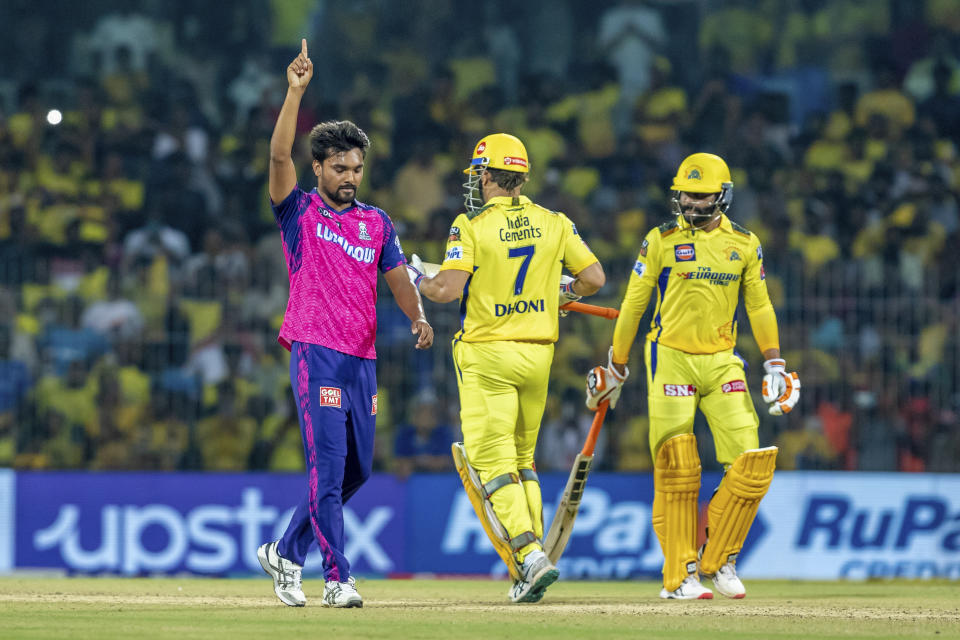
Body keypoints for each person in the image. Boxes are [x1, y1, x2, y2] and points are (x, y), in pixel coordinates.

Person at [256, 40, 434, 609]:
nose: (350, 176)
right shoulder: (299, 211)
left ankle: (286, 550)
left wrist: (418, 316)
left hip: (362, 360)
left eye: (357, 167)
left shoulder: (377, 222)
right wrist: (295, 92)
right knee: (328, 469)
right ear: (319, 168)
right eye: (339, 167)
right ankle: (338, 578)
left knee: (357, 469)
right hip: (316, 350)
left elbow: (400, 278)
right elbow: (278, 159)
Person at [585, 153, 799, 600]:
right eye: (685, 193)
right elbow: (634, 304)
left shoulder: (744, 243)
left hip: (723, 360)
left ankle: (719, 560)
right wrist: (617, 365)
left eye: (701, 195)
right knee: (677, 466)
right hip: (670, 357)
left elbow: (759, 306)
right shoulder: (659, 240)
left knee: (752, 464)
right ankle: (680, 575)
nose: (691, 202)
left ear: (722, 196)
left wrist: (774, 361)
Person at [414, 133, 605, 603]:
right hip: (539, 356)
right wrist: (564, 294)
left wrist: (418, 275)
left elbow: (447, 290)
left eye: (477, 173)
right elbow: (594, 279)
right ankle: (534, 560)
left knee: (493, 466)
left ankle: (530, 555)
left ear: (485, 174)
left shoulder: (471, 224)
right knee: (524, 463)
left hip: (488, 357)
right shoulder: (554, 221)